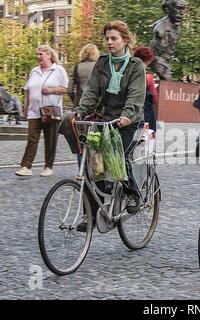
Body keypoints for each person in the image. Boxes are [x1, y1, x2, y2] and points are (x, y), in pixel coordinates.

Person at [75, 20, 146, 228]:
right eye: (107, 38)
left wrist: (126, 115)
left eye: (114, 38)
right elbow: (92, 90)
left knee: (118, 156)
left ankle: (133, 194)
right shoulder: (102, 62)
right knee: (94, 163)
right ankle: (91, 213)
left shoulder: (135, 65)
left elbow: (136, 95)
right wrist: (80, 110)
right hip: (107, 118)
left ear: (125, 40)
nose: (109, 42)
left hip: (128, 120)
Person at [15, 45, 69, 177]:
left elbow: (65, 89)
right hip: (34, 111)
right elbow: (28, 90)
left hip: (50, 111)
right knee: (32, 139)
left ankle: (48, 167)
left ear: (49, 55)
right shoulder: (34, 71)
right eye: (38, 54)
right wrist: (26, 107)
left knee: (50, 139)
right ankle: (26, 167)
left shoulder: (58, 70)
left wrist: (51, 90)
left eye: (41, 54)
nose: (38, 57)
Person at [150, 0, 187, 80]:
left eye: (183, 9)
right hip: (160, 63)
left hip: (166, 63)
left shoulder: (176, 27)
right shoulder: (160, 29)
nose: (181, 12)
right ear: (167, 9)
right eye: (178, 8)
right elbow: (156, 53)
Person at [134, 46, 158, 132]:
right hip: (145, 112)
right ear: (148, 59)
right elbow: (154, 98)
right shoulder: (148, 77)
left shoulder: (130, 72)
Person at [67, 43, 100, 108]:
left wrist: (75, 101)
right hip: (96, 105)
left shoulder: (76, 67)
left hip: (79, 104)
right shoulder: (100, 67)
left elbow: (69, 90)